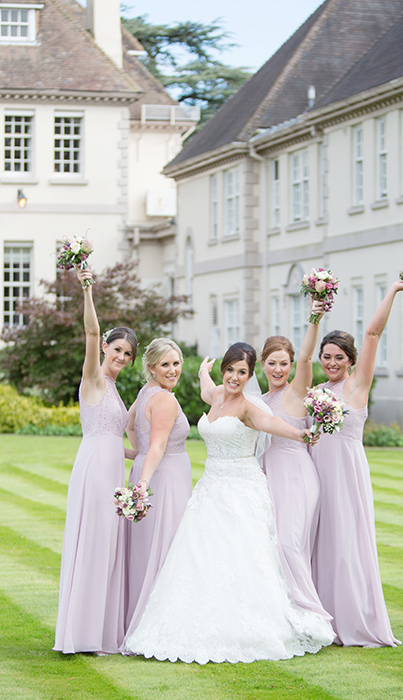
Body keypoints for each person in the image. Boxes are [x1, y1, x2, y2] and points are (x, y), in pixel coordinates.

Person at [125, 342, 335, 664]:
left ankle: (248, 628)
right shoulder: (216, 396)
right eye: (230, 370)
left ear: (250, 376)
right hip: (210, 488)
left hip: (242, 489)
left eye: (242, 372)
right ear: (223, 370)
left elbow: (272, 423)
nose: (235, 378)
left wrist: (300, 435)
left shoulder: (249, 407)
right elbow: (208, 389)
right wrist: (201, 373)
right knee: (199, 557)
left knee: (241, 558)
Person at [311, 274, 403, 647]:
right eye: (326, 356)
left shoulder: (357, 385)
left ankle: (354, 619)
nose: (331, 362)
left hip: (346, 470)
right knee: (319, 540)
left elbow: (372, 334)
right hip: (316, 472)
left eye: (339, 357)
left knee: (346, 541)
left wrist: (394, 290)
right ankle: (322, 618)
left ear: (351, 361)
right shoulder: (315, 391)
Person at [54, 266, 138, 654]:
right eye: (117, 348)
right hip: (93, 471)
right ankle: (81, 634)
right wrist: (87, 289)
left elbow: (111, 438)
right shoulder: (94, 379)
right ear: (106, 348)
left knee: (108, 546)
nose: (121, 356)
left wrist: (138, 455)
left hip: (112, 469)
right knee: (92, 544)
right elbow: (89, 331)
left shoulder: (118, 391)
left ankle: (101, 632)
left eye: (128, 354)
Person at [261, 300, 331, 622]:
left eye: (284, 364)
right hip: (268, 476)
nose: (278, 369)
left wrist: (315, 315)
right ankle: (286, 615)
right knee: (274, 544)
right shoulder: (258, 402)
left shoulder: (297, 392)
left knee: (290, 543)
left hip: (297, 475)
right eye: (273, 363)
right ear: (262, 364)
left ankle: (313, 614)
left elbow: (306, 356)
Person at [123, 338, 192, 639]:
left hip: (149, 470)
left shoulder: (146, 392)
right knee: (168, 549)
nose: (172, 369)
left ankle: (141, 621)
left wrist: (137, 458)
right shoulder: (164, 399)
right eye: (165, 364)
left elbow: (128, 425)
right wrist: (145, 483)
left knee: (148, 549)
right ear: (151, 367)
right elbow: (159, 444)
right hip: (164, 479)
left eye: (176, 363)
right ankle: (160, 628)